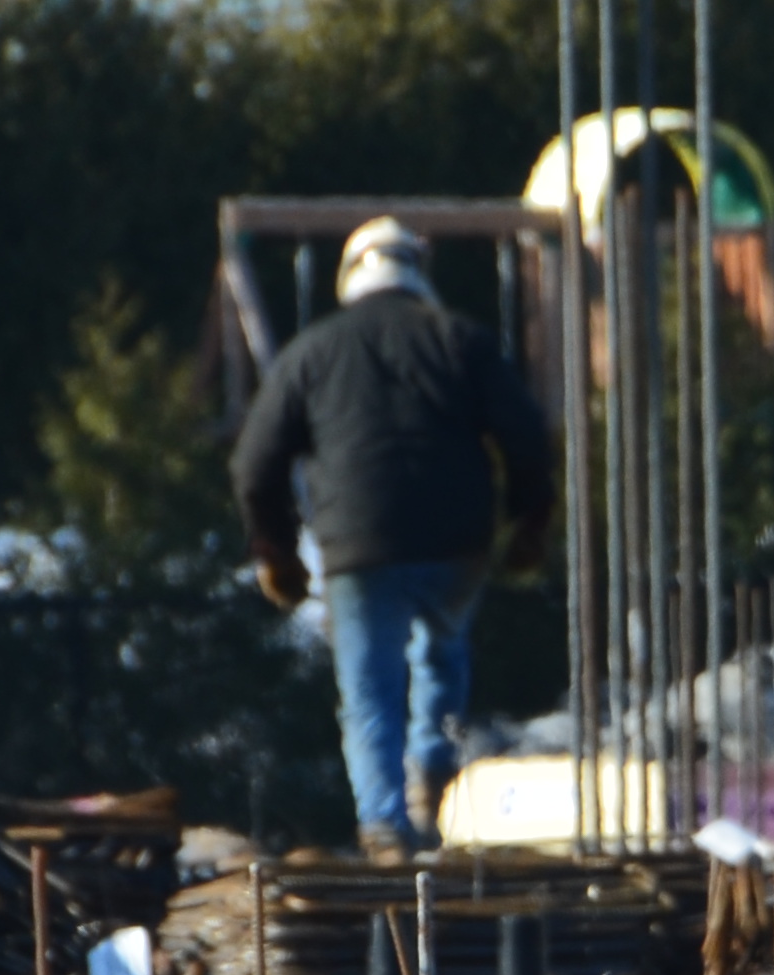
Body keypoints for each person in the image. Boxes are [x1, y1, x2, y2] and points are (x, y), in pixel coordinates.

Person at [234, 216, 558, 864]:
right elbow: (529, 437)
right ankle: (431, 778)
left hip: (359, 547)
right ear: (417, 271)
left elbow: (253, 466)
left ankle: (383, 826)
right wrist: (529, 522)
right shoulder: (461, 340)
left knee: (369, 690)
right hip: (456, 542)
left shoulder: (313, 351)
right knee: (441, 653)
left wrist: (277, 550)